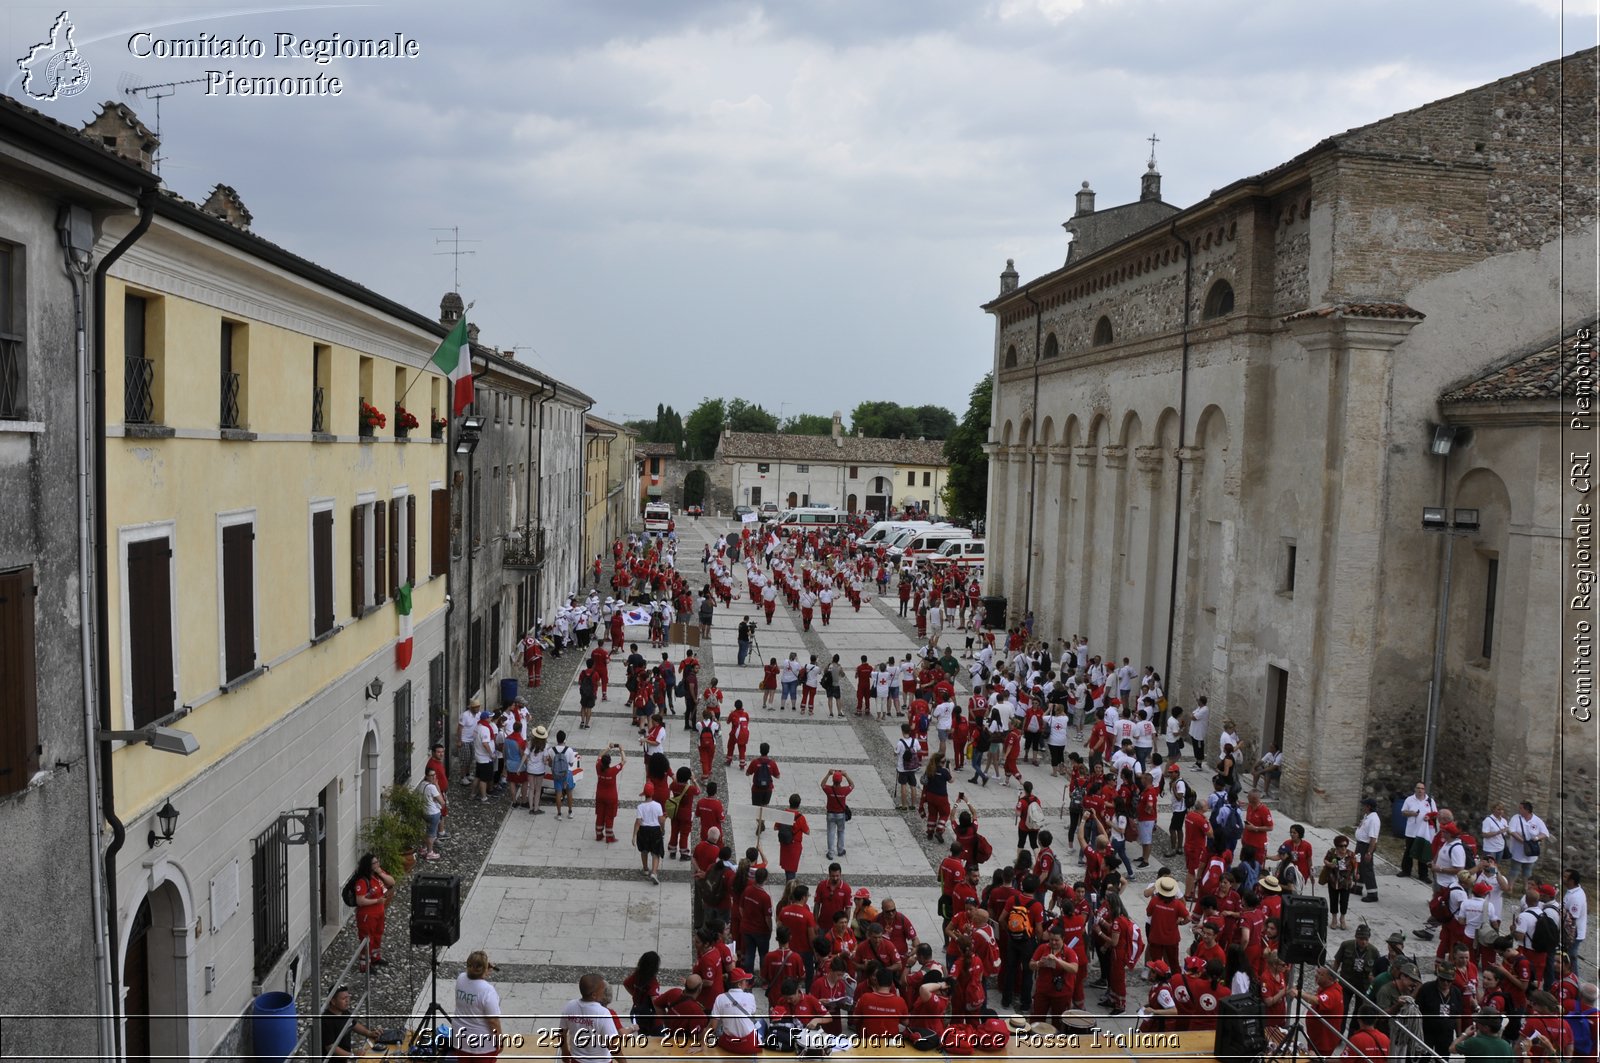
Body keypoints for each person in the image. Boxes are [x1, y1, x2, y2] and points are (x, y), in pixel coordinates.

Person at [454, 951, 506, 1061]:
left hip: (460, 1039)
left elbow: (470, 974)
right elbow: (493, 1021)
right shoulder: (487, 991)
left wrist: (483, 969)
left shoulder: (460, 979)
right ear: (485, 969)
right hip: (482, 1045)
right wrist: (500, 1040)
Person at [559, 972, 620, 1063]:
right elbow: (612, 1045)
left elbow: (561, 1032)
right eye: (603, 989)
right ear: (594, 995)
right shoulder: (603, 1013)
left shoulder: (570, 1006)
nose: (604, 992)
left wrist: (564, 1052)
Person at [349, 852, 393, 971]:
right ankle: (365, 965)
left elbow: (391, 882)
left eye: (377, 862)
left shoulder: (377, 876)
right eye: (374, 863)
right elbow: (360, 900)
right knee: (367, 939)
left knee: (377, 935)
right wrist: (377, 901)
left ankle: (375, 957)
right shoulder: (362, 881)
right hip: (367, 915)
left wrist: (380, 872)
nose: (377, 864)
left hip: (379, 912)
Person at [319, 984, 381, 1058]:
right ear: (333, 1001)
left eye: (348, 997)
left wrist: (369, 1033)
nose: (347, 1001)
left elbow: (354, 1024)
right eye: (343, 998)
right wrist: (352, 1055)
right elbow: (330, 1047)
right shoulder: (326, 1020)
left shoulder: (344, 1012)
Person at [1298, 965, 1346, 1060]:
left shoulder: (1333, 993)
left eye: (1320, 974)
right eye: (1317, 972)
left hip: (1323, 1043)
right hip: (1316, 1039)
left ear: (1330, 978)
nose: (1316, 975)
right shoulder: (1324, 987)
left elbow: (1316, 1001)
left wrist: (1299, 993)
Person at [710, 967, 761, 1054]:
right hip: (749, 1046)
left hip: (729, 1045)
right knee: (761, 1023)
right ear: (739, 984)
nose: (746, 983)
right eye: (745, 981)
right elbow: (752, 1015)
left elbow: (712, 1027)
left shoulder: (720, 998)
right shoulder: (750, 997)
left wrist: (702, 1045)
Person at [1322, 835, 1358, 930]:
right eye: (1341, 846)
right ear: (1337, 846)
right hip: (1333, 880)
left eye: (1345, 846)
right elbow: (1325, 860)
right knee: (1333, 899)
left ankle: (1342, 918)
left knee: (1344, 901)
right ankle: (1334, 919)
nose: (1344, 848)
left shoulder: (1351, 855)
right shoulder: (1332, 852)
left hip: (1345, 882)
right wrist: (1329, 864)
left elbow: (1355, 867)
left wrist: (1356, 876)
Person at [635, 788, 665, 884]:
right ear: (653, 793)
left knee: (644, 850)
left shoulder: (640, 807)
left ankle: (645, 869)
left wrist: (634, 835)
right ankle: (654, 872)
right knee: (656, 852)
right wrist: (662, 829)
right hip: (655, 830)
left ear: (644, 794)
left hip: (643, 830)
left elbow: (638, 821)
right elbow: (661, 820)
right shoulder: (658, 805)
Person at [822, 770, 854, 860]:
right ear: (841, 781)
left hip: (830, 814)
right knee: (841, 832)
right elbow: (852, 785)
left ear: (832, 780)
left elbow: (822, 784)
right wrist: (846, 775)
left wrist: (828, 774)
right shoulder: (844, 790)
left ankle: (830, 853)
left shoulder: (829, 790)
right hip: (841, 815)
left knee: (830, 833)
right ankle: (840, 850)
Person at [548, 730, 578, 819]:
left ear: (556, 739)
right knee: (569, 792)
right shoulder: (569, 750)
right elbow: (572, 763)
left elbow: (550, 764)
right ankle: (570, 812)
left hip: (557, 774)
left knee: (558, 793)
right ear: (564, 739)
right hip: (567, 773)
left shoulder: (551, 750)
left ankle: (559, 814)